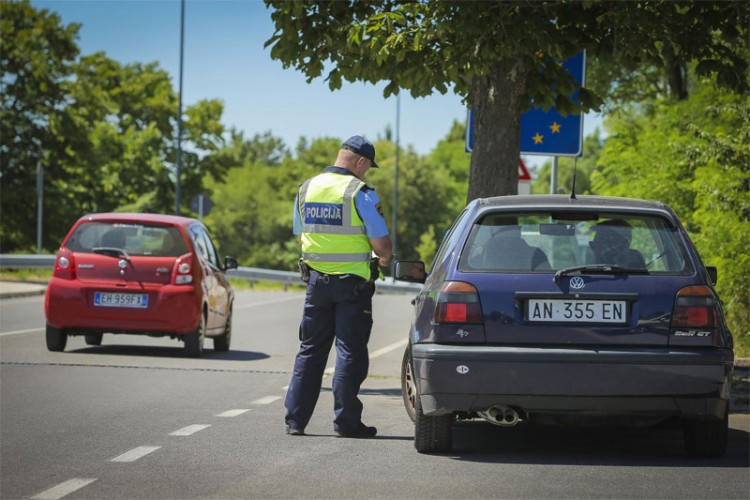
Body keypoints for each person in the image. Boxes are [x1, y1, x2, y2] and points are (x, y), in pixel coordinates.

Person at [285, 135, 393, 438]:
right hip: (353, 286)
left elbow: (301, 232)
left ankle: (295, 420)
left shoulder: (306, 188)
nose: (367, 172)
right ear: (359, 162)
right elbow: (381, 243)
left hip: (316, 282)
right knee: (349, 352)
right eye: (369, 166)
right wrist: (385, 258)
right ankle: (346, 422)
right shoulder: (360, 192)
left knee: (310, 350)